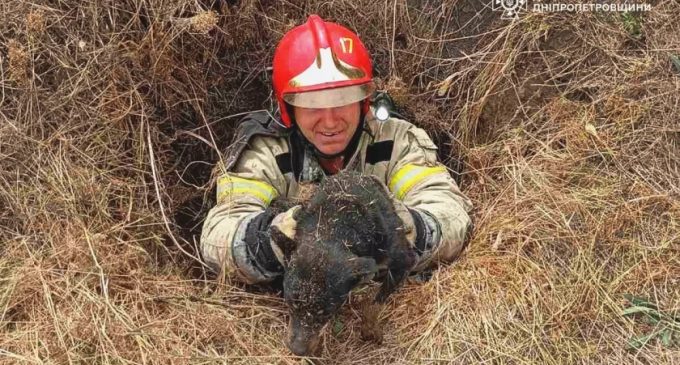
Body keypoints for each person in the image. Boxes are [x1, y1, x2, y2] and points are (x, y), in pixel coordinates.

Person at [200, 14, 472, 284]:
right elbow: (218, 238)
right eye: (312, 104)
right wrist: (285, 238)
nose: (330, 121)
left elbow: (450, 215)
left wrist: (399, 228)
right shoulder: (265, 151)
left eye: (342, 100)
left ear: (363, 102)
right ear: (289, 108)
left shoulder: (395, 140)